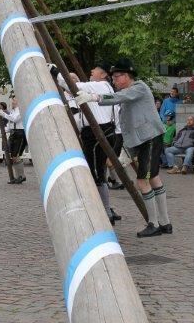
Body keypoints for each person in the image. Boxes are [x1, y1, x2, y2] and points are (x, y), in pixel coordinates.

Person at [75, 58, 171, 238]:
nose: (114, 81)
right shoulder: (129, 91)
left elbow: (119, 98)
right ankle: (165, 223)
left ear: (126, 76)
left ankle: (154, 223)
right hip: (140, 141)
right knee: (155, 179)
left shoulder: (138, 88)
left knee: (143, 181)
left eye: (116, 77)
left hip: (149, 138)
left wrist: (94, 97)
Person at [54, 62, 121, 225]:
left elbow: (72, 85)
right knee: (94, 171)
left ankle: (105, 211)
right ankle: (103, 208)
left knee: (97, 173)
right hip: (91, 131)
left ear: (104, 75)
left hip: (98, 131)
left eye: (96, 69)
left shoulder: (101, 85)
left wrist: (53, 70)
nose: (91, 70)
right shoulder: (95, 87)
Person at [0, 96, 27, 184]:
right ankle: (18, 176)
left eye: (13, 101)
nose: (11, 102)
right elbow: (10, 125)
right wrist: (2, 131)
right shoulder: (12, 111)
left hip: (20, 133)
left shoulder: (21, 109)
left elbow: (15, 119)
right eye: (11, 101)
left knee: (16, 156)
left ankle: (21, 176)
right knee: (12, 155)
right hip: (13, 133)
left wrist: (2, 113)